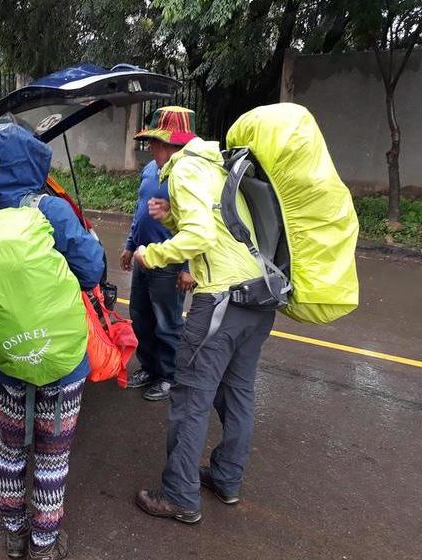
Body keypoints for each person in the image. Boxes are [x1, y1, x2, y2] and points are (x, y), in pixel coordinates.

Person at [0, 123, 105, 559]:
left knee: (10, 448)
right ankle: (44, 545)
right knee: (51, 455)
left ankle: (13, 535)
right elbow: (93, 271)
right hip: (62, 363)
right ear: (31, 161)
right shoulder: (52, 211)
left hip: (9, 361)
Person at [130, 107, 274, 524]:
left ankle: (179, 495)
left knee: (191, 395)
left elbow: (201, 235)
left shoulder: (184, 170)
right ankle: (227, 479)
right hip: (257, 297)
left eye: (152, 144)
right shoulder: (216, 167)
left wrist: (150, 254)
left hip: (222, 301)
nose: (150, 153)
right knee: (238, 393)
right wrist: (171, 217)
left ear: (166, 144)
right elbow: (218, 227)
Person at [121, 153, 194, 401]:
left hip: (170, 263)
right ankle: (149, 368)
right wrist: (130, 245)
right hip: (144, 257)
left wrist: (188, 266)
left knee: (167, 324)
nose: (150, 146)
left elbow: (196, 224)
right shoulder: (152, 167)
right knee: (141, 317)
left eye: (155, 141)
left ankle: (169, 376)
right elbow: (140, 209)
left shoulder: (187, 171)